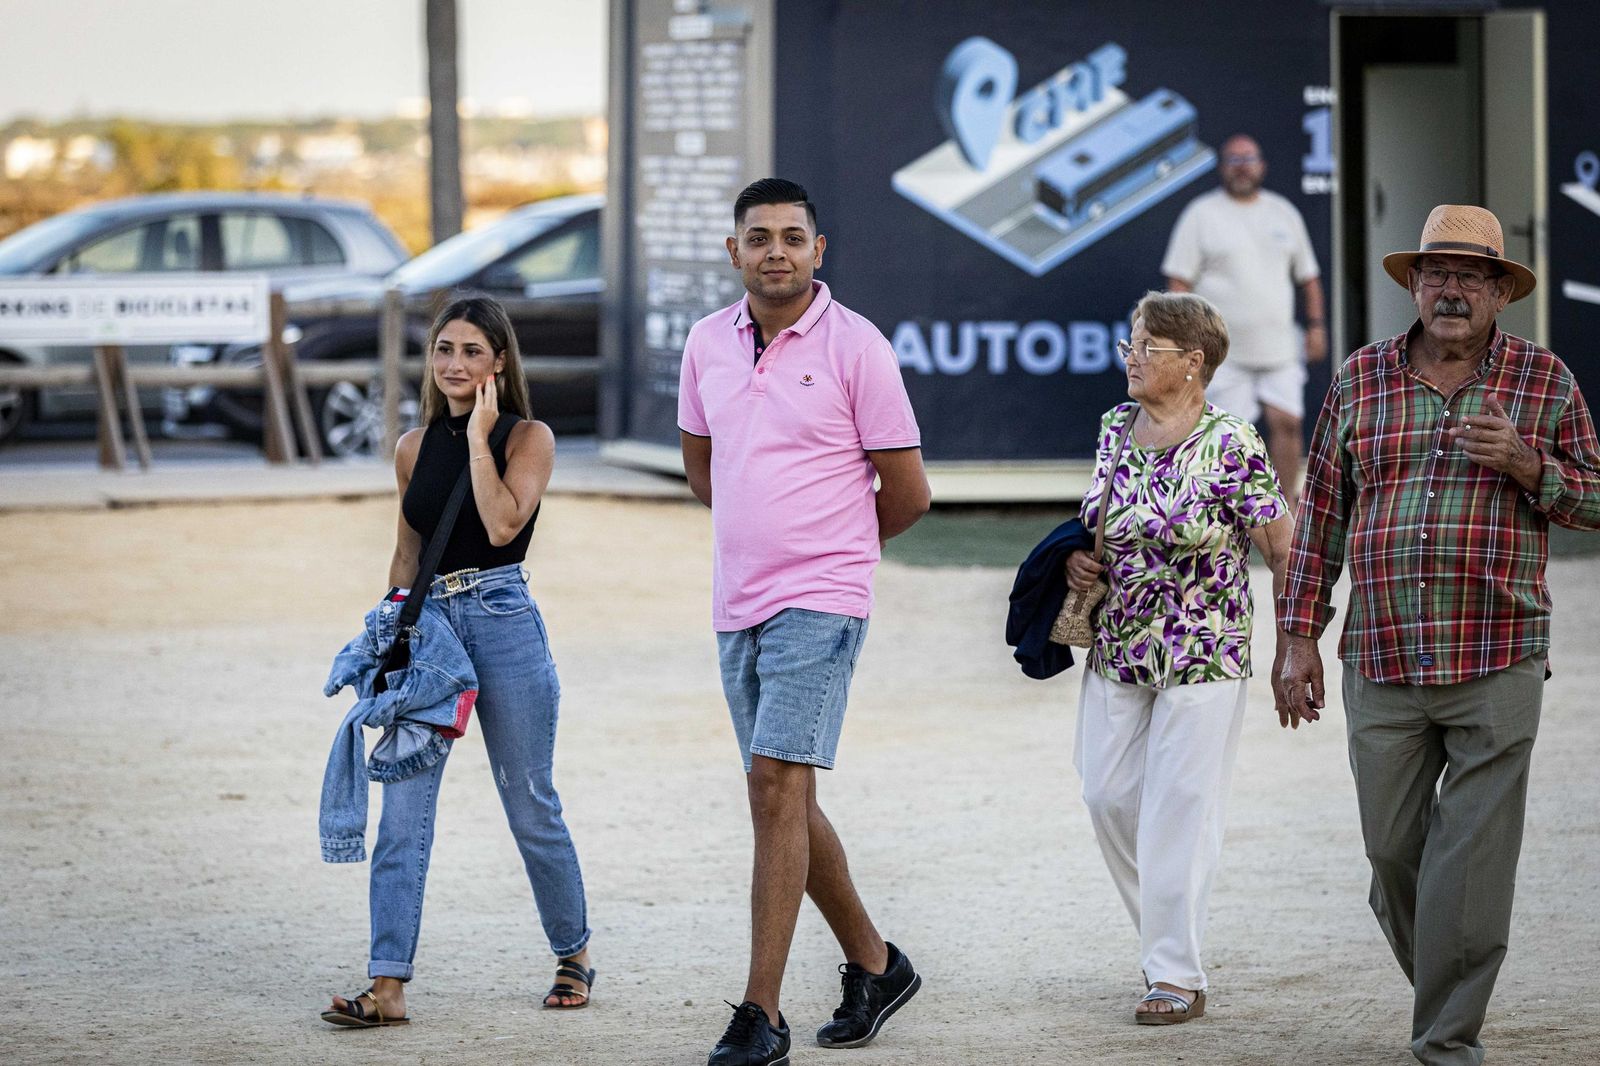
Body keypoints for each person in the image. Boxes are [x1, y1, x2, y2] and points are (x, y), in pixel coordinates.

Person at [1274, 204, 1600, 1066]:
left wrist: (1531, 467)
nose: (1451, 288)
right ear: (1413, 285)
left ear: (1500, 291)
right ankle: (1447, 982)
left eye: (1470, 275)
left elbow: (1598, 499)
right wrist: (1299, 635)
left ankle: (1447, 1039)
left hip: (1497, 655)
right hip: (1379, 658)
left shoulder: (1544, 381)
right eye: (1436, 273)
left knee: (1474, 863)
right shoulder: (1360, 377)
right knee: (1394, 855)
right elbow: (1321, 520)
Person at [679, 178, 931, 1066]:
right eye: (759, 237)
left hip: (822, 598)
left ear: (819, 250)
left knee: (774, 788)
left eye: (793, 236)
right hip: (736, 599)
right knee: (784, 793)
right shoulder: (707, 342)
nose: (776, 250)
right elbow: (704, 468)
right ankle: (878, 963)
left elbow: (906, 495)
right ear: (734, 252)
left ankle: (762, 1014)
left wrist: (834, 556)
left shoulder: (859, 348)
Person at [320, 295, 594, 1027]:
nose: (454, 365)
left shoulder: (527, 437)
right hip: (430, 627)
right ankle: (387, 986)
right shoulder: (411, 447)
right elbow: (407, 552)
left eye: (472, 351)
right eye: (444, 350)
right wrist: (388, 636)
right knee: (402, 811)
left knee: (528, 799)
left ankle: (573, 952)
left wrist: (478, 437)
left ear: (499, 362)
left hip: (504, 620)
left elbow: (505, 521)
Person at [1067, 290, 1293, 1025]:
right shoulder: (1113, 428)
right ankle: (1171, 936)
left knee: (1180, 811)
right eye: (1128, 344)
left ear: (1194, 364)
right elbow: (1095, 527)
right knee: (1107, 796)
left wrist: (1298, 642)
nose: (1130, 358)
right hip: (1118, 644)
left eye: (1147, 348)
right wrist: (1079, 569)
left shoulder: (1232, 442)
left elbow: (1281, 547)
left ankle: (1173, 971)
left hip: (1206, 649)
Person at [1163, 134, 1326, 505]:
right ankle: (1230, 507)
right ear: (1222, 167)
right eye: (1233, 159)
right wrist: (1184, 338)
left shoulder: (1283, 212)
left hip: (1279, 345)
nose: (1241, 166)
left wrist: (1316, 326)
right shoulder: (1201, 214)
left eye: (1248, 158)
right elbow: (1178, 282)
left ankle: (1282, 504)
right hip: (1222, 352)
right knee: (1227, 435)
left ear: (1262, 165)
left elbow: (1309, 277)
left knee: (1288, 423)